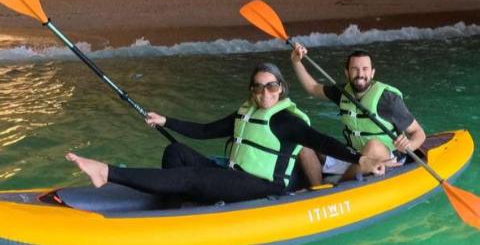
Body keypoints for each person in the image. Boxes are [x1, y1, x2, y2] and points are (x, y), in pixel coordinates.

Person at [66, 63, 385, 204]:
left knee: (193, 176)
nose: (265, 93)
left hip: (262, 187)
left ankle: (106, 172)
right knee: (176, 153)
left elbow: (321, 142)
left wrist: (361, 159)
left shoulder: (286, 120)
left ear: (281, 89)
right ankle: (175, 206)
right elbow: (206, 131)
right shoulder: (245, 112)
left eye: (271, 86)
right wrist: (166, 121)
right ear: (252, 91)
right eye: (258, 87)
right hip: (233, 175)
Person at [290, 46, 427, 184]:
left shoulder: (387, 99)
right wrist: (296, 62)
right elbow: (313, 88)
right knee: (304, 143)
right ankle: (317, 189)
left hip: (387, 157)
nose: (360, 73)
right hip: (353, 154)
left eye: (365, 69)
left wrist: (409, 144)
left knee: (372, 146)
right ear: (347, 72)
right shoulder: (342, 92)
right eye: (355, 69)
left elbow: (418, 133)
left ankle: (336, 189)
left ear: (372, 73)